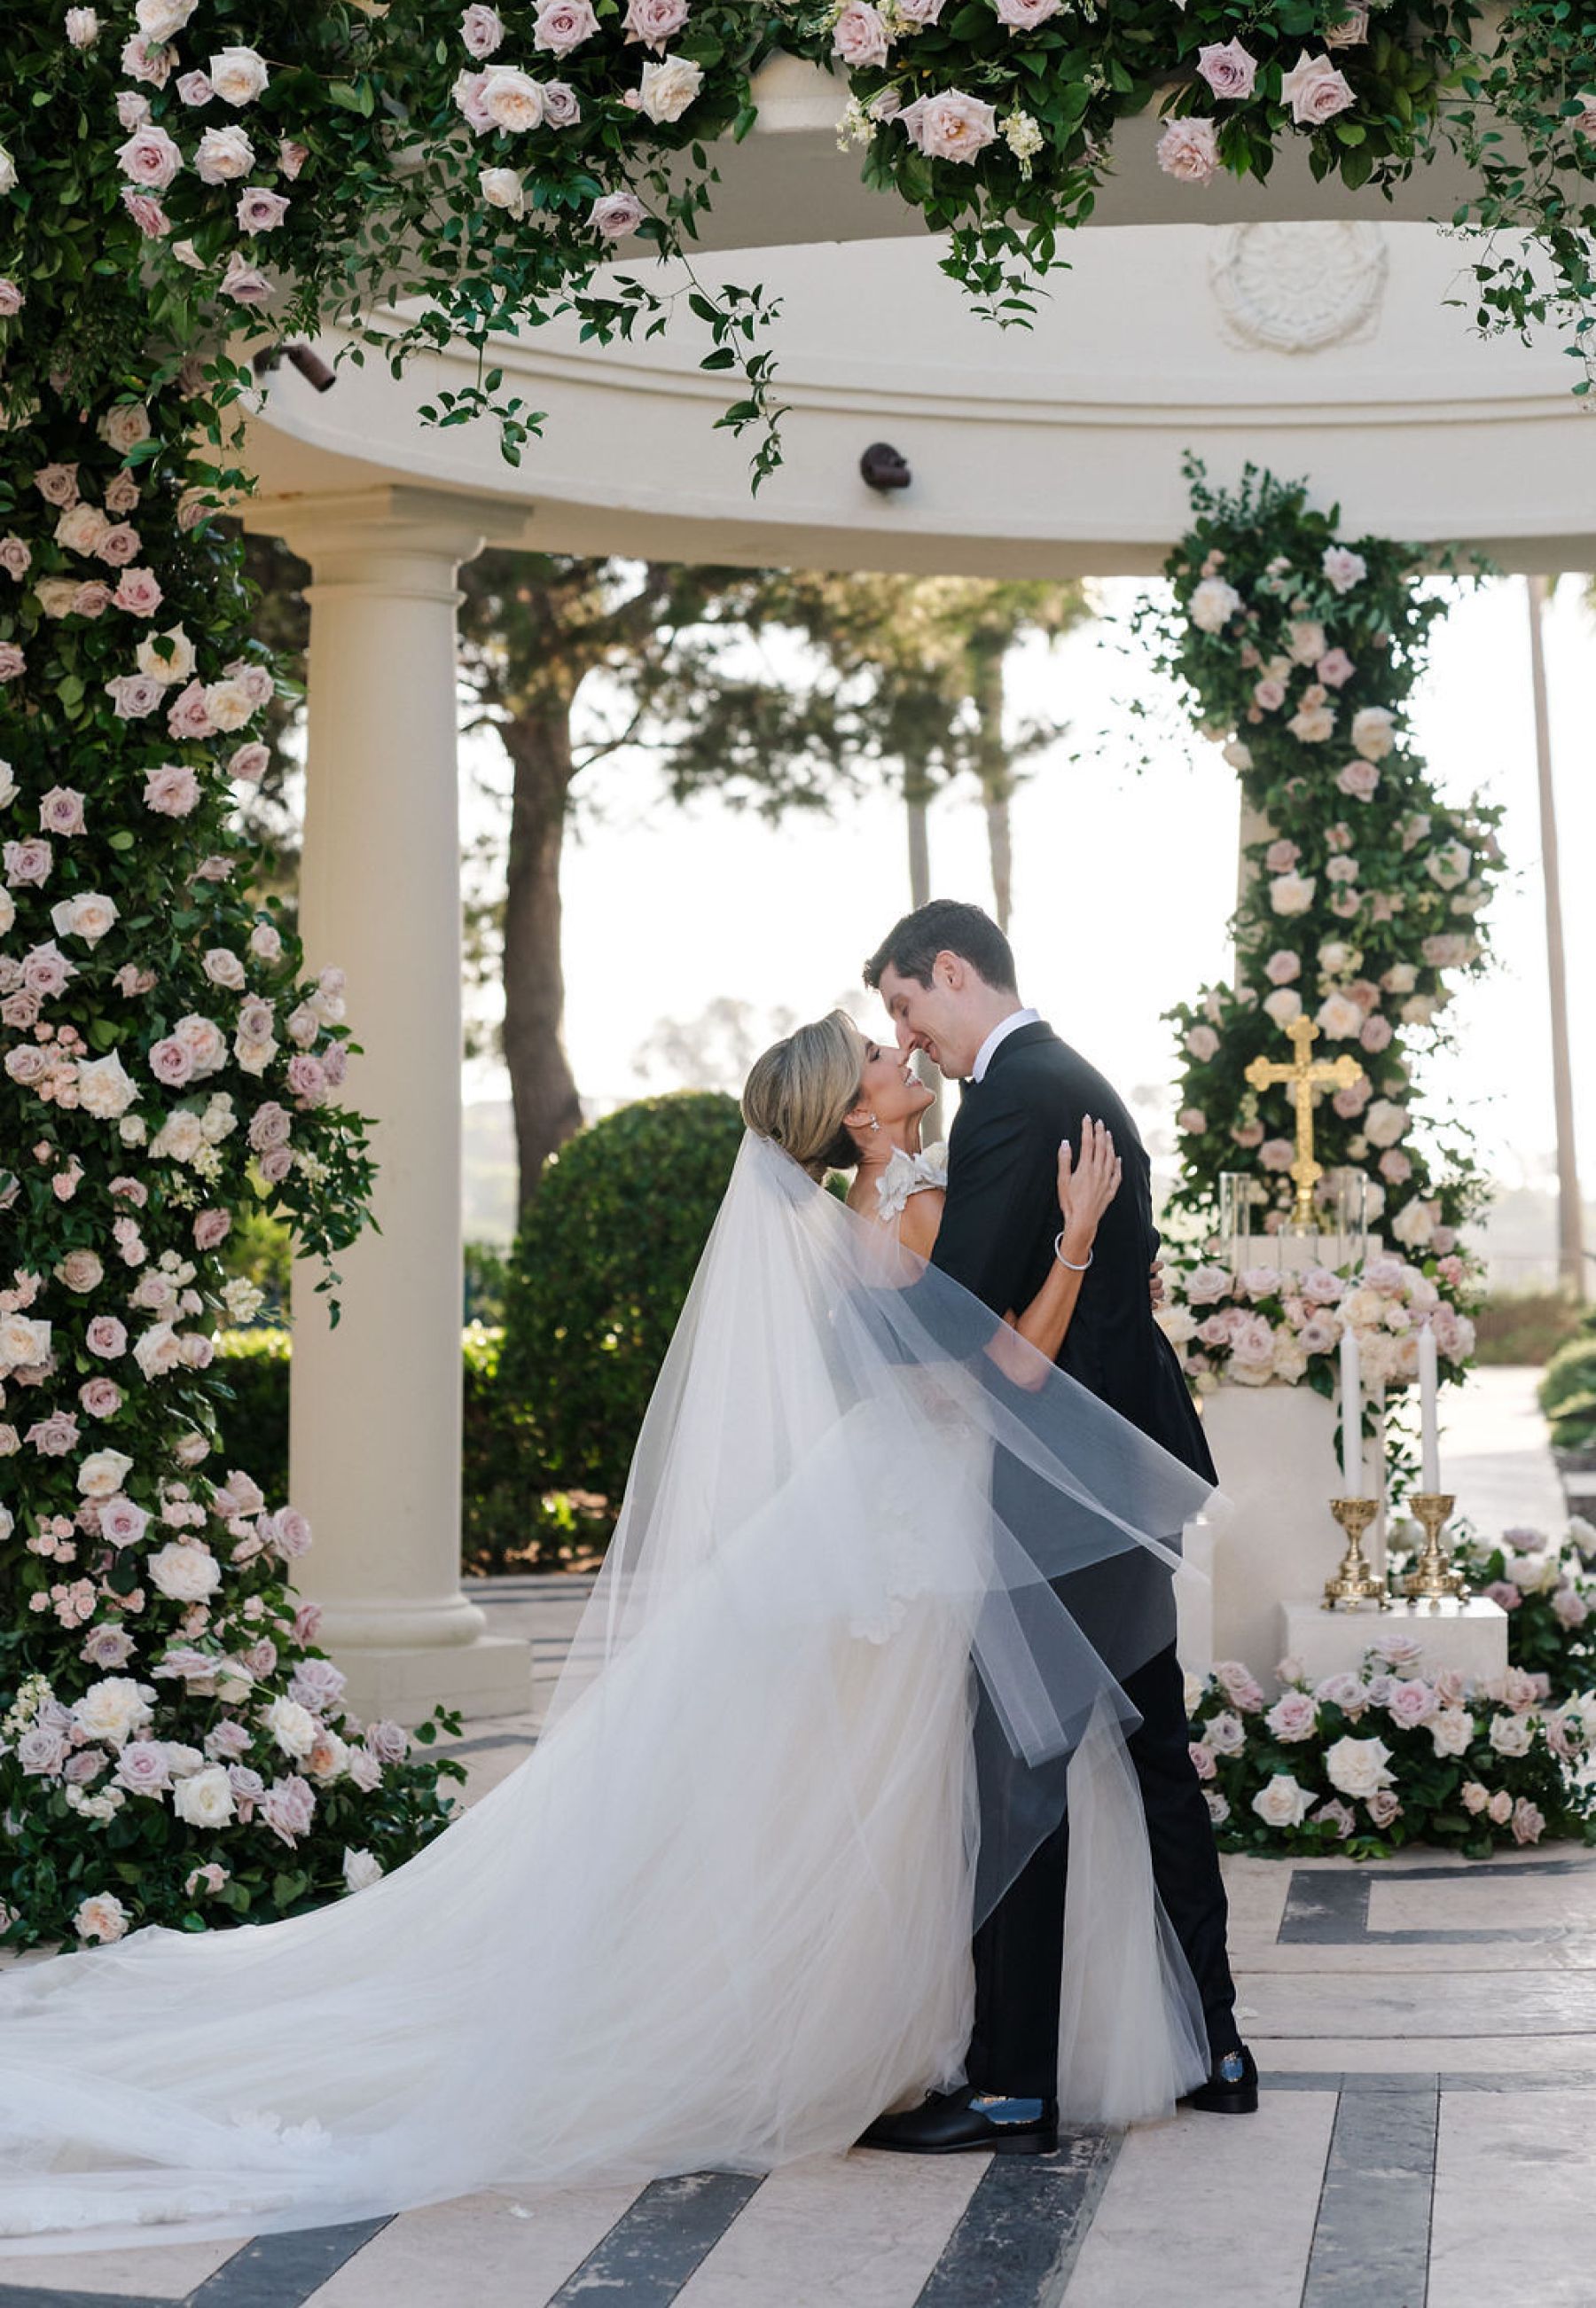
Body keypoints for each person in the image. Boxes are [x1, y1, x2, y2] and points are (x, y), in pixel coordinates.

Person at [0, 1012, 1216, 2259]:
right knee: (909, 1790)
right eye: (877, 1058)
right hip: (913, 1540)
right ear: (858, 1120)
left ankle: (947, 2038)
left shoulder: (886, 1205)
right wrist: (1073, 1244)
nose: (903, 1056)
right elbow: (1003, 1376)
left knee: (891, 1790)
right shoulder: (903, 1216)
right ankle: (903, 2037)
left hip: (892, 1518)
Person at [857, 901, 1255, 2160]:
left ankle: (1013, 2086)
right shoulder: (1057, 1079)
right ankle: (1219, 2046)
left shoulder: (1017, 1097)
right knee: (1153, 1761)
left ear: (955, 973)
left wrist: (829, 1330)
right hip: (1120, 1482)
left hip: (1064, 1495)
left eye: (908, 1006)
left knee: (1018, 1769)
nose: (906, 1039)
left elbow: (955, 1311)